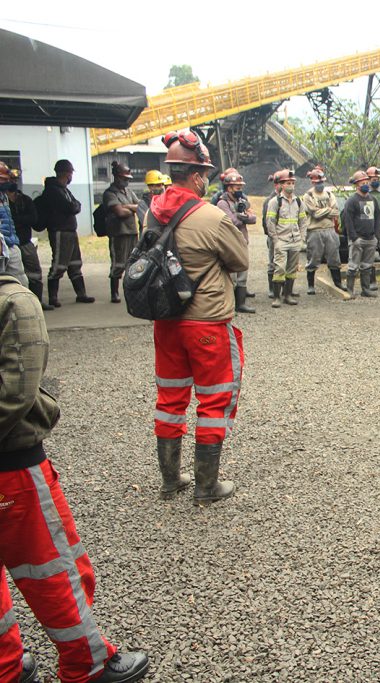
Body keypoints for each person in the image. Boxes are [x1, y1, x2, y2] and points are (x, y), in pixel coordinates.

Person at [0, 270, 151, 683]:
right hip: (11, 466)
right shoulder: (15, 302)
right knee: (50, 567)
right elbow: (15, 392)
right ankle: (89, 664)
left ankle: (6, 667)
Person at [148, 130, 248, 505]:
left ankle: (171, 480)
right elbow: (240, 261)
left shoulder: (152, 210)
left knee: (170, 398)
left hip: (166, 320)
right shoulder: (210, 216)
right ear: (194, 176)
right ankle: (207, 486)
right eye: (204, 173)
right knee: (213, 400)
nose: (206, 179)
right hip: (205, 321)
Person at [40, 160, 94, 307]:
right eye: (70, 173)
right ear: (65, 173)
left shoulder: (64, 189)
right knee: (59, 264)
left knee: (75, 264)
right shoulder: (52, 190)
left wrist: (74, 206)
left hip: (70, 232)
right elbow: (70, 206)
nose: (71, 177)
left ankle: (81, 294)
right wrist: (74, 206)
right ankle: (53, 298)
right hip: (59, 232)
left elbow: (76, 204)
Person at [1, 163, 44, 306]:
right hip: (3, 246)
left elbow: (32, 218)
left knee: (23, 281)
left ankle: (31, 305)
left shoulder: (10, 198)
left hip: (16, 242)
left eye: (10, 179)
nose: (9, 183)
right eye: (5, 180)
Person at [216, 169, 257, 314]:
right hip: (230, 243)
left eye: (241, 187)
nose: (240, 190)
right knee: (231, 276)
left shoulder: (242, 201)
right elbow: (230, 221)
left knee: (242, 274)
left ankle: (241, 304)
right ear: (229, 188)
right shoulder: (222, 203)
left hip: (242, 241)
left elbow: (253, 218)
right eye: (237, 187)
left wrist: (243, 217)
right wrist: (242, 217)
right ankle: (229, 306)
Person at [265, 169, 307, 307]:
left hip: (295, 240)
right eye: (287, 183)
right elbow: (270, 222)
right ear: (281, 185)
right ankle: (277, 297)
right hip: (281, 240)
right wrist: (275, 240)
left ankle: (288, 295)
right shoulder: (275, 201)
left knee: (292, 269)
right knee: (279, 269)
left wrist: (302, 237)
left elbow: (303, 221)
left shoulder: (298, 202)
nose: (290, 185)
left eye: (292, 183)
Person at [102, 161, 141, 304]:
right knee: (118, 264)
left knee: (134, 263)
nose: (126, 181)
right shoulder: (110, 194)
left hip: (131, 232)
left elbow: (140, 206)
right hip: (118, 233)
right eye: (124, 178)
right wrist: (131, 209)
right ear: (117, 177)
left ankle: (131, 291)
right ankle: (114, 293)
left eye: (128, 179)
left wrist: (127, 206)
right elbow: (120, 212)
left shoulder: (129, 192)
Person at [300, 166, 343, 295]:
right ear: (313, 182)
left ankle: (338, 282)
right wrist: (328, 210)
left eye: (322, 182)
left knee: (334, 257)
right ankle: (311, 285)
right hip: (314, 230)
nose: (321, 184)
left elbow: (335, 211)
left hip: (330, 230)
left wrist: (323, 211)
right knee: (313, 258)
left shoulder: (329, 194)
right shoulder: (307, 196)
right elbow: (314, 214)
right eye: (318, 182)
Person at [342, 170, 380, 298]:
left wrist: (376, 236)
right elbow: (348, 221)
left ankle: (366, 289)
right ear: (357, 185)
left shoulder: (373, 199)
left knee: (367, 266)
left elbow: (377, 217)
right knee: (353, 266)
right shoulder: (351, 201)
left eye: (367, 182)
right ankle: (350, 290)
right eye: (363, 183)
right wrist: (354, 238)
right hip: (357, 239)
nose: (366, 184)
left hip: (371, 239)